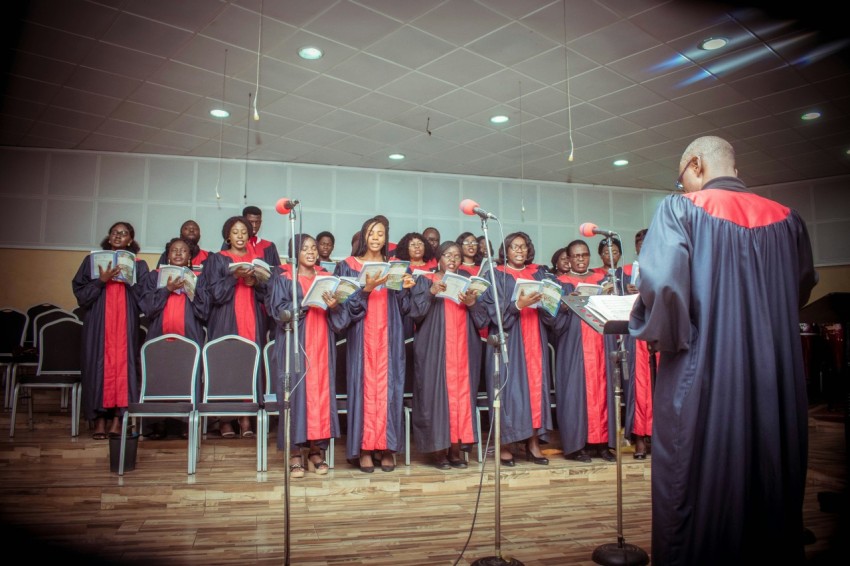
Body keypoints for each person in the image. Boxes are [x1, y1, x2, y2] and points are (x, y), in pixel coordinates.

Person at [629, 135, 817, 565]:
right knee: (771, 477)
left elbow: (662, 288)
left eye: (682, 180)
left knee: (693, 482)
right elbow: (801, 287)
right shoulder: (789, 219)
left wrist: (658, 334)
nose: (683, 189)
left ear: (695, 164)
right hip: (777, 375)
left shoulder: (681, 210)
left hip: (704, 369)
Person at [331, 216, 415, 473]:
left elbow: (404, 309)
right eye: (371, 233)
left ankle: (386, 447)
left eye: (381, 233)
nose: (376, 237)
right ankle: (365, 448)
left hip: (390, 336)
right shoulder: (347, 266)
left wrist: (406, 289)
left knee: (390, 390)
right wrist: (366, 290)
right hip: (362, 335)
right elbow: (343, 307)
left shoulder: (396, 268)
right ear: (363, 236)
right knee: (364, 390)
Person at [408, 241, 489, 469]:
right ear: (438, 259)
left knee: (462, 397)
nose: (452, 259)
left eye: (456, 256)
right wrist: (431, 293)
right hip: (435, 349)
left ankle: (456, 448)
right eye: (447, 255)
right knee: (435, 396)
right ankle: (438, 450)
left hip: (464, 350)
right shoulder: (425, 281)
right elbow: (415, 313)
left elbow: (483, 320)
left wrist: (472, 304)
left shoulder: (469, 284)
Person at [265, 234, 339, 478]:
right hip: (294, 342)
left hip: (322, 342)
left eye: (313, 248)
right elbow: (277, 311)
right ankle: (295, 452)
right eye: (305, 248)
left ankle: (316, 451)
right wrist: (303, 306)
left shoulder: (326, 278)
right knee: (295, 395)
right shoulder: (284, 278)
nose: (311, 252)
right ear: (294, 253)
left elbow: (340, 316)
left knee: (320, 396)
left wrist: (334, 304)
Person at [478, 231, 554, 466]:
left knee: (535, 391)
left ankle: (532, 443)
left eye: (523, 247)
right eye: (514, 247)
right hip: (509, 339)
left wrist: (549, 299)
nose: (519, 251)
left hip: (535, 337)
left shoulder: (539, 274)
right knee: (508, 391)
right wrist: (518, 305)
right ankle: (505, 445)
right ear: (506, 251)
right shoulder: (496, 275)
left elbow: (552, 308)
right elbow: (492, 312)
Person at [72, 221, 149, 439]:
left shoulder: (139, 265)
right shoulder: (92, 261)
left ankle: (118, 418)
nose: (118, 236)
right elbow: (80, 294)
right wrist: (101, 281)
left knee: (124, 367)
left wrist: (128, 279)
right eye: (115, 232)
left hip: (125, 323)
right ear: (109, 236)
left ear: (130, 240)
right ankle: (98, 420)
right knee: (97, 365)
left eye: (123, 234)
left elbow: (144, 297)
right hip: (99, 322)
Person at [198, 216, 268, 439]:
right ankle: (225, 419)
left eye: (244, 232)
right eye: (235, 232)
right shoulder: (218, 259)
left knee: (249, 364)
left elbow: (267, 294)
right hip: (226, 318)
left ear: (249, 236)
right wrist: (232, 277)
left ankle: (246, 417)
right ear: (228, 236)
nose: (240, 236)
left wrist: (255, 283)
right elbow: (215, 294)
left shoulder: (257, 260)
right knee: (226, 364)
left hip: (252, 318)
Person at [138, 237, 207, 439]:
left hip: (189, 336)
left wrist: (191, 291)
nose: (178, 253)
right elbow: (147, 308)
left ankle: (186, 423)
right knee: (158, 378)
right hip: (159, 337)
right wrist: (166, 290)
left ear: (189, 257)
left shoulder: (198, 278)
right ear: (168, 255)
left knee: (187, 377)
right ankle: (156, 423)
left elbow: (205, 311)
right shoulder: (154, 277)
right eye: (174, 250)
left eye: (183, 251)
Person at [550, 239, 612, 463]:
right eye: (575, 256)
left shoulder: (602, 280)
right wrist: (565, 306)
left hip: (600, 344)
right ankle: (577, 446)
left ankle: (602, 444)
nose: (580, 259)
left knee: (602, 392)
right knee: (575, 394)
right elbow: (551, 321)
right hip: (573, 346)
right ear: (568, 258)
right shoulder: (559, 283)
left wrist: (608, 296)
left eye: (584, 255)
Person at [623, 228, 653, 459]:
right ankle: (640, 440)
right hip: (638, 334)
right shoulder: (626, 272)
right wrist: (628, 291)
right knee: (640, 389)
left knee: (662, 388)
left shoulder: (670, 266)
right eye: (639, 246)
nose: (642, 249)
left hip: (662, 332)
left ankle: (662, 439)